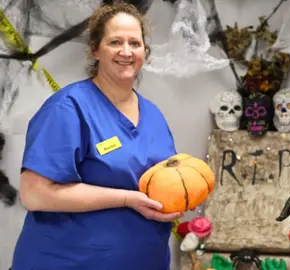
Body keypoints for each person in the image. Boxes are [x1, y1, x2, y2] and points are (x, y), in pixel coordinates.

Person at [11, 2, 183, 270]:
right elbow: (34, 194)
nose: (126, 51)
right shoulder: (68, 108)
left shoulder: (153, 115)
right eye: (115, 42)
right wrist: (127, 199)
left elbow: (163, 180)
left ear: (144, 52)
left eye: (135, 43)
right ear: (95, 50)